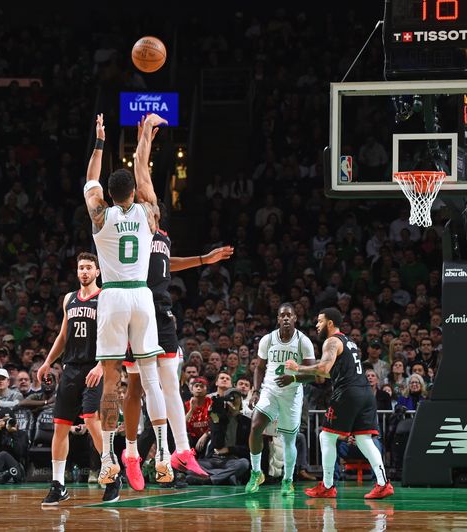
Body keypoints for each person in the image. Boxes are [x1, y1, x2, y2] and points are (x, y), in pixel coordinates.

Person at [117, 117, 233, 491]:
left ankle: (181, 451)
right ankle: (134, 452)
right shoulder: (138, 222)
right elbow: (140, 172)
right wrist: (144, 139)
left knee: (170, 382)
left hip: (162, 310)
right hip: (138, 308)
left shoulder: (162, 236)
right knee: (140, 386)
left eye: (153, 205)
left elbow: (170, 262)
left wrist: (203, 260)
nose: (148, 203)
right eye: (144, 199)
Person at [82, 112, 171, 489]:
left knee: (111, 384)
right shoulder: (149, 213)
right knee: (151, 380)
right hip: (142, 294)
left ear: (108, 195)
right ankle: (164, 458)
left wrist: (101, 141)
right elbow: (143, 171)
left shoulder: (99, 216)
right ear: (133, 193)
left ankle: (107, 460)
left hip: (114, 296)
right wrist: (144, 138)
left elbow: (90, 179)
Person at [286, 307, 394, 499]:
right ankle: (383, 483)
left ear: (329, 323)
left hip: (348, 393)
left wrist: (297, 367)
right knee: (364, 439)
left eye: (319, 321)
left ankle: (327, 486)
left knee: (326, 437)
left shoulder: (331, 341)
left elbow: (324, 366)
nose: (316, 325)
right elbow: (329, 372)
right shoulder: (349, 342)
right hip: (365, 393)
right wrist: (302, 374)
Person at [37, 252, 108, 505]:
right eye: (81, 268)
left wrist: (101, 365)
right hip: (70, 368)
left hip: (94, 366)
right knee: (60, 426)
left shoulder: (105, 297)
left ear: (98, 272)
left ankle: (111, 474)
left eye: (89, 267)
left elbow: (115, 335)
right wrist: (48, 362)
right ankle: (58, 485)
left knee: (90, 420)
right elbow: (63, 335)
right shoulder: (69, 298)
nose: (85, 272)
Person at [245, 303, 316, 496]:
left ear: (295, 318)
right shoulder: (268, 339)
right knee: (256, 426)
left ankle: (288, 480)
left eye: (289, 315)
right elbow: (260, 367)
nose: (285, 318)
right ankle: (256, 472)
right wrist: (256, 390)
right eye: (282, 315)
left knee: (288, 440)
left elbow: (312, 374)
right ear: (278, 319)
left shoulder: (303, 341)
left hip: (291, 394)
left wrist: (292, 378)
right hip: (270, 390)